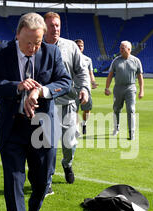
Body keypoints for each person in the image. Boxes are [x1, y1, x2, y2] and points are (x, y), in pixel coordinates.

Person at [0, 12, 71, 211]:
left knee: (41, 182)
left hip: (42, 128)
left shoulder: (51, 53)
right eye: (29, 42)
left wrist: (40, 91)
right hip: (12, 130)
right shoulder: (0, 53)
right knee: (13, 184)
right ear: (18, 34)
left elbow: (65, 82)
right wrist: (17, 86)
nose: (33, 48)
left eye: (38, 42)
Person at [43, 12, 90, 185]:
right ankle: (46, 180)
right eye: (51, 25)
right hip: (45, 104)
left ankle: (67, 163)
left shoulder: (71, 47)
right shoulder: (37, 46)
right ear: (43, 27)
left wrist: (84, 88)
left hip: (68, 103)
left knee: (69, 143)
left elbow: (81, 71)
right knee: (47, 145)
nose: (55, 28)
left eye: (57, 25)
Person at [105, 41, 144, 140]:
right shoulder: (116, 61)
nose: (121, 50)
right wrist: (107, 88)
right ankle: (116, 128)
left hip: (130, 88)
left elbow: (140, 77)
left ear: (129, 49)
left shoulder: (136, 61)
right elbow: (110, 75)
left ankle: (132, 133)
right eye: (120, 48)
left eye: (123, 48)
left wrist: (141, 90)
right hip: (118, 88)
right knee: (116, 109)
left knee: (131, 109)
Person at [74, 39, 98, 135]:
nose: (80, 47)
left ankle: (84, 124)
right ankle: (76, 129)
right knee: (74, 109)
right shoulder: (71, 58)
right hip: (74, 87)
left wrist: (93, 82)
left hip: (85, 88)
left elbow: (90, 73)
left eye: (81, 46)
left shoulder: (88, 59)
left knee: (87, 109)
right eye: (78, 45)